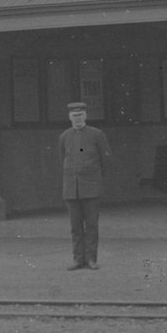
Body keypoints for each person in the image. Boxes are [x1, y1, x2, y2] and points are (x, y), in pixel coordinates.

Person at [60, 100, 114, 271]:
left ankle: (91, 259)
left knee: (91, 226)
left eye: (80, 115)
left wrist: (95, 178)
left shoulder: (96, 134)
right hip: (71, 189)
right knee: (75, 227)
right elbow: (62, 160)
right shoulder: (64, 137)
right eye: (74, 116)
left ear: (86, 116)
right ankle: (78, 259)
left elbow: (106, 160)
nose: (78, 119)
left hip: (91, 188)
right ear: (69, 117)